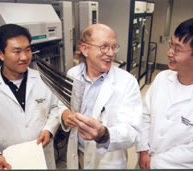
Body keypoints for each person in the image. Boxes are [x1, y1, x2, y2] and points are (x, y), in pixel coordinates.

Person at [0, 24, 63, 169]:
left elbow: (57, 108)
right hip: (10, 161)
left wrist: (49, 129)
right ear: (0, 54)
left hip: (43, 157)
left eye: (28, 50)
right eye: (17, 51)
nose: (24, 57)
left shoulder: (44, 80)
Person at [59, 23, 142, 169]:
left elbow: (133, 132)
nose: (110, 53)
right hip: (76, 153)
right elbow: (62, 105)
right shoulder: (73, 74)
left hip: (106, 160)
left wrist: (103, 134)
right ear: (85, 49)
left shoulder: (127, 82)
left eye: (113, 47)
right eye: (104, 47)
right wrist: (65, 114)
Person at [137, 17, 193, 169]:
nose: (169, 53)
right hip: (145, 160)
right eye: (171, 45)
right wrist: (143, 149)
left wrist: (155, 163)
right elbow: (145, 115)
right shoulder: (162, 78)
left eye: (177, 49)